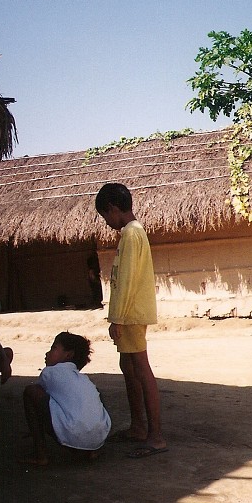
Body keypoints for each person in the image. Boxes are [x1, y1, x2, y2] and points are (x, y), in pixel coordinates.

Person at [95, 183, 167, 458]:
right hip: (130, 314)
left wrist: (118, 319)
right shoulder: (133, 233)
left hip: (131, 315)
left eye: (105, 216)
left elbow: (125, 282)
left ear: (113, 209)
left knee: (141, 369)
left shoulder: (131, 234)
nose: (107, 222)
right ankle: (138, 426)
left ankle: (155, 436)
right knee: (128, 365)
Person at [21, 332, 111, 465]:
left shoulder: (50, 372)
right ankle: (92, 451)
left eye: (53, 348)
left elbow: (40, 400)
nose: (47, 353)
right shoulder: (83, 379)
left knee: (31, 392)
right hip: (98, 439)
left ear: (68, 355)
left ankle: (40, 455)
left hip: (74, 436)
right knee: (94, 393)